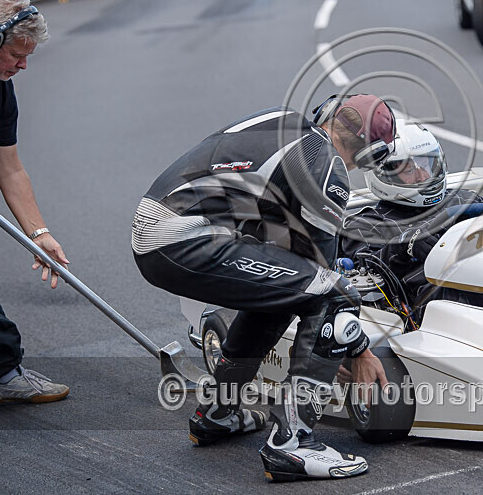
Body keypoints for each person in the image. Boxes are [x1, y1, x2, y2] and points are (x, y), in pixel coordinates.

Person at [132, 94, 395, 481]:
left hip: (158, 229)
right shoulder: (327, 167)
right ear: (371, 155)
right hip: (185, 238)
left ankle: (218, 413)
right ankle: (292, 444)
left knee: (283, 293)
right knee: (332, 297)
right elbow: (323, 275)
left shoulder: (282, 121)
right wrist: (355, 348)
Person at [0, 0, 70, 405]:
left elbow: (10, 167)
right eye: (16, 55)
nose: (22, 66)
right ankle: (1, 369)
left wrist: (39, 233)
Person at [339, 119, 483, 308]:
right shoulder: (368, 224)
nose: (424, 176)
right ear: (382, 173)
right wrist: (403, 246)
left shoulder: (466, 200)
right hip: (438, 313)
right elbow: (365, 270)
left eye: (427, 164)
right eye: (409, 170)